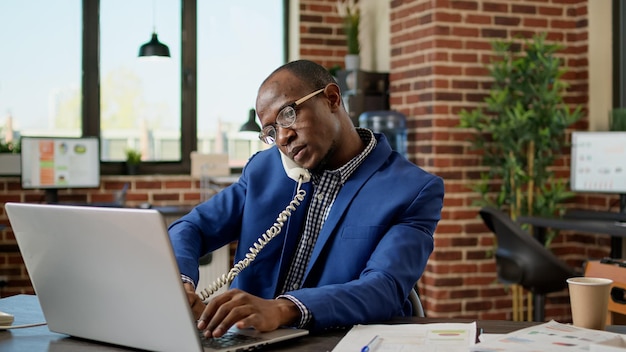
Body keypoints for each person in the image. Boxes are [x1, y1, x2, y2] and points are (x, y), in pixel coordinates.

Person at [168, 59, 444, 338]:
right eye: (271, 131)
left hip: (333, 342)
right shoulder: (264, 171)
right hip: (245, 340)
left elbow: (384, 288)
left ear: (332, 99)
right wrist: (182, 283)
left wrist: (282, 310)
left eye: (288, 114)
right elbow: (191, 227)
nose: (283, 138)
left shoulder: (412, 190)